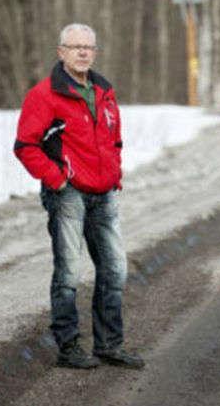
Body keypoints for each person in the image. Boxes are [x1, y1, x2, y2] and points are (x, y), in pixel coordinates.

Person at [14, 23, 144, 370]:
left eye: (89, 47)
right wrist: (57, 180)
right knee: (69, 273)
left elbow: (114, 138)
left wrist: (114, 171)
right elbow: (25, 146)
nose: (84, 52)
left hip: (104, 194)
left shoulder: (104, 90)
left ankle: (109, 345)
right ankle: (69, 347)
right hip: (68, 194)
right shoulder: (44, 95)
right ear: (61, 52)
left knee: (115, 269)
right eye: (75, 47)